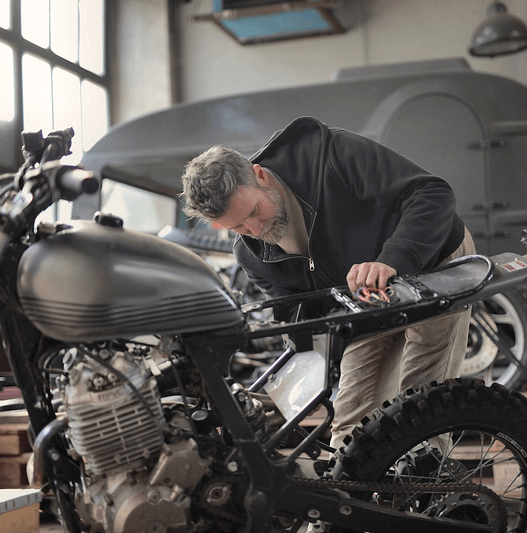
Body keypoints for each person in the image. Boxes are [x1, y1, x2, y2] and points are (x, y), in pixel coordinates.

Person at [181, 116, 475, 454]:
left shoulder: (331, 154)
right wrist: (304, 379)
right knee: (352, 428)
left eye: (254, 211)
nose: (256, 229)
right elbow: (299, 319)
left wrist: (391, 260)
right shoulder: (252, 257)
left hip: (430, 258)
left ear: (259, 174)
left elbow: (431, 193)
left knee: (420, 402)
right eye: (240, 227)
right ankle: (367, 500)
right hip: (364, 298)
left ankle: (431, 490)